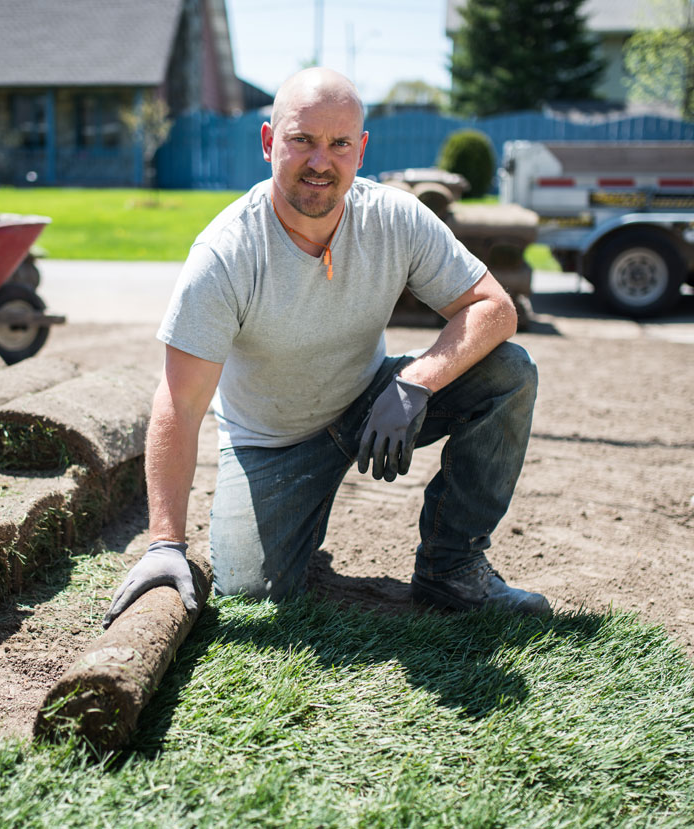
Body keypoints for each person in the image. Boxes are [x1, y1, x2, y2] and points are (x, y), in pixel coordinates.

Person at [103, 67, 549, 627]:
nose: (321, 161)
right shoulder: (225, 254)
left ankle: (452, 567)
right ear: (269, 142)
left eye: (339, 144)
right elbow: (180, 402)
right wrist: (165, 543)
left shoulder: (395, 217)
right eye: (302, 140)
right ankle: (295, 518)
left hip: (372, 405)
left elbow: (494, 308)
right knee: (253, 593)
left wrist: (416, 383)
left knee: (509, 370)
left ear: (360, 151)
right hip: (272, 443)